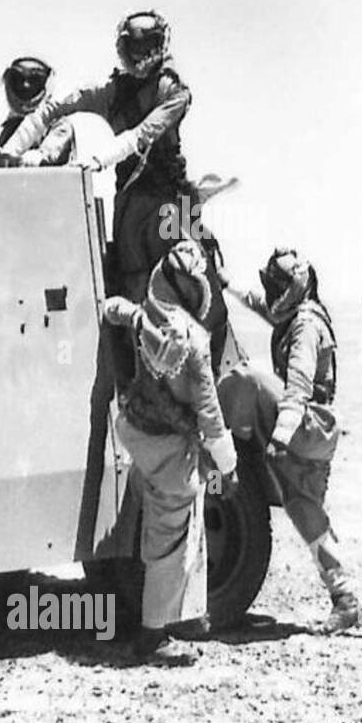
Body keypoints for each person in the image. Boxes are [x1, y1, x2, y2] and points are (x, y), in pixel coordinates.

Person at [0, 11, 220, 310]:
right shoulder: (114, 91)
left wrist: (97, 161)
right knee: (132, 280)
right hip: (132, 198)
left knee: (198, 272)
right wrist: (14, 149)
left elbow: (142, 135)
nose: (137, 56)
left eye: (144, 47)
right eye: (132, 47)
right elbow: (52, 110)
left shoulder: (174, 92)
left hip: (173, 198)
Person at [103, 239, 239, 663]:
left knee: (177, 520)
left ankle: (190, 611)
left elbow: (119, 311)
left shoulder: (148, 317)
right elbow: (209, 413)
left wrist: (107, 307)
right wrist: (228, 466)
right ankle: (153, 634)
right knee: (171, 536)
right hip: (168, 445)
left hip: (136, 430)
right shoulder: (194, 341)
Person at [221, 248, 360, 634]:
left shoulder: (305, 329)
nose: (272, 292)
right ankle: (346, 600)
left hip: (306, 423)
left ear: (293, 286)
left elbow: (297, 387)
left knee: (246, 378)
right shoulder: (297, 313)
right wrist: (227, 283)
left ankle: (225, 439)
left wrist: (279, 439)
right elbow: (262, 306)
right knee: (305, 513)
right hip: (315, 430)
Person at [0, 56, 75, 165]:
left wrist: (36, 156)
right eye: (18, 79)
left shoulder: (60, 125)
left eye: (35, 79)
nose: (25, 85)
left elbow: (47, 154)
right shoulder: (9, 127)